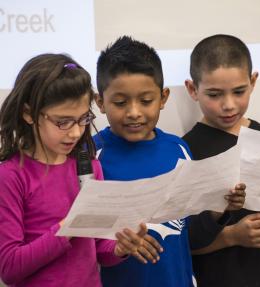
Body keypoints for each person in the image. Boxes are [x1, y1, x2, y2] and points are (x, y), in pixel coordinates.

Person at [93, 35, 246, 287]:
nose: (134, 112)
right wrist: (119, 246)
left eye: (146, 100)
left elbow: (192, 235)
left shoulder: (178, 150)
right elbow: (82, 245)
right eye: (120, 102)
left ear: (163, 98)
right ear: (100, 102)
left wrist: (222, 209)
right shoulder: (91, 156)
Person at [0, 53, 162, 287]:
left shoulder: (89, 167)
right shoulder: (11, 176)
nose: (76, 133)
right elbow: (10, 268)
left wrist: (119, 248)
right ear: (28, 113)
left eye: (83, 119)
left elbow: (98, 249)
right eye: (63, 122)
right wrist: (66, 228)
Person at [183, 34, 260, 287]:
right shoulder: (184, 150)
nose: (228, 105)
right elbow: (181, 241)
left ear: (253, 82)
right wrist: (231, 236)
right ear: (192, 89)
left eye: (239, 91)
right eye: (215, 94)